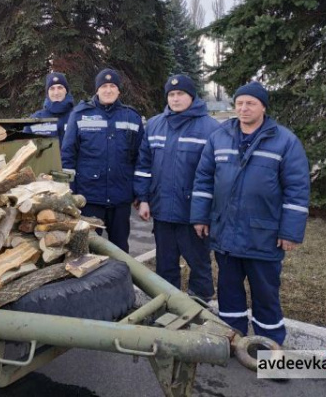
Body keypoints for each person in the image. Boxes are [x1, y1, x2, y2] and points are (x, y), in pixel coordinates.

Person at [190, 81, 310, 345]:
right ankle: (233, 342)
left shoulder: (285, 141)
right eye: (240, 103)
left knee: (265, 297)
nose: (243, 108)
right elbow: (204, 179)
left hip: (263, 237)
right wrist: (200, 216)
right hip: (226, 235)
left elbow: (297, 190)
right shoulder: (220, 137)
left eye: (251, 103)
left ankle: (270, 348)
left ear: (263, 107)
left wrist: (290, 232)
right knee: (229, 294)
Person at [135, 75, 219, 300]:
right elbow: (144, 165)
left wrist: (206, 213)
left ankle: (199, 309)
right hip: (162, 211)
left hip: (193, 214)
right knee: (165, 266)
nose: (175, 98)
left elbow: (216, 175)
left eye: (180, 94)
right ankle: (166, 306)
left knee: (199, 266)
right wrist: (143, 199)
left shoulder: (211, 128)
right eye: (171, 95)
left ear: (191, 96)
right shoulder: (154, 125)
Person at [61, 68, 143, 252]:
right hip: (89, 197)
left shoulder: (131, 117)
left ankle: (123, 281)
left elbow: (140, 158)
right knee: (87, 249)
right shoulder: (81, 114)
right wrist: (70, 191)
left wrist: (139, 192)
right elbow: (68, 155)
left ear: (119, 90)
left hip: (120, 198)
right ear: (97, 90)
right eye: (104, 86)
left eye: (112, 86)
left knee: (120, 251)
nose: (108, 90)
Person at [24, 72, 75, 144]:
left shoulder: (78, 116)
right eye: (52, 88)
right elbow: (25, 149)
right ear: (47, 93)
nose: (56, 92)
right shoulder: (35, 120)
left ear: (66, 91)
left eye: (60, 87)